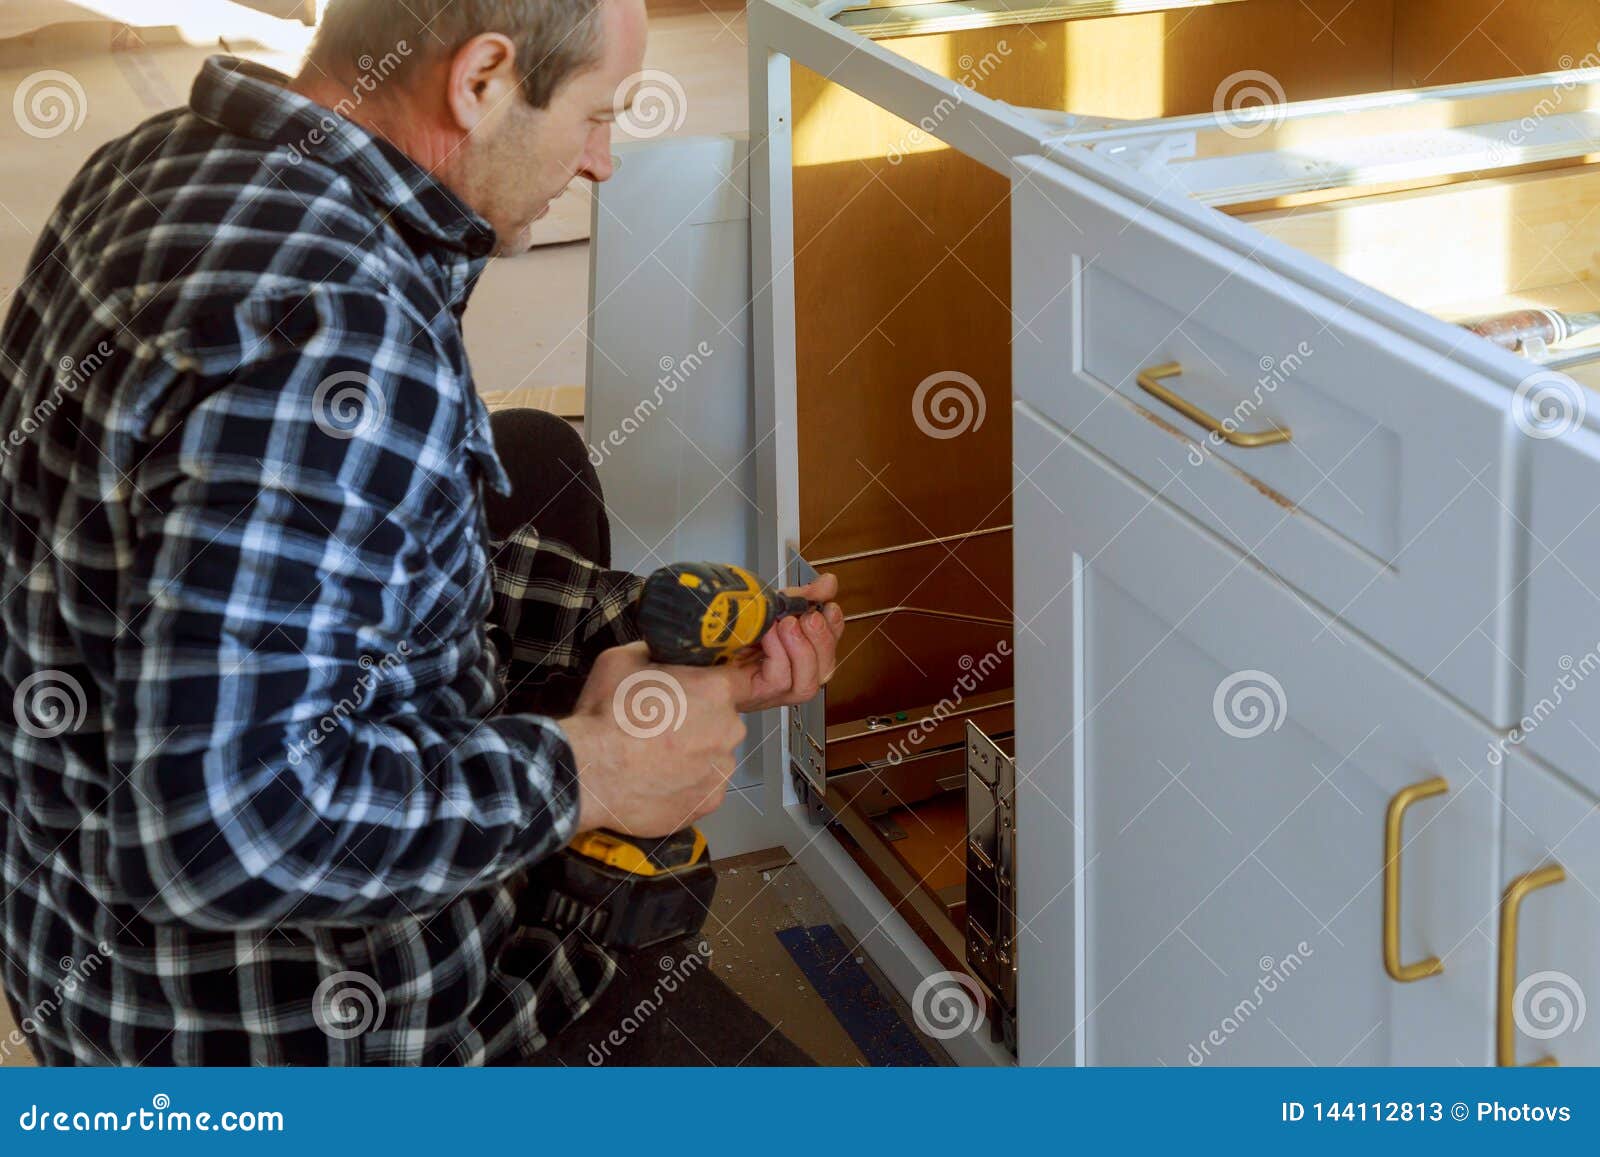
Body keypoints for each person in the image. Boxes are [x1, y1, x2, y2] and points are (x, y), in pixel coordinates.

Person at [0, 0, 842, 1066]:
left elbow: (360, 561)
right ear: (481, 79)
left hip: (68, 933)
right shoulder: (334, 336)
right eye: (593, 115)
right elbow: (223, 829)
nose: (603, 162)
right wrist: (596, 770)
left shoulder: (164, 159)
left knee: (533, 454)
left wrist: (627, 618)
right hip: (276, 1034)